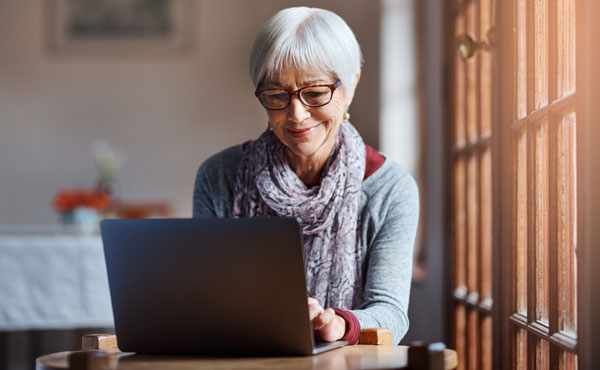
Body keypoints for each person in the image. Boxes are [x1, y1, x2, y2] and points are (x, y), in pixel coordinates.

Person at [193, 6, 419, 345]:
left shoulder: (391, 188)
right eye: (276, 95)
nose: (296, 115)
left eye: (314, 93)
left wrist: (340, 324)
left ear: (350, 86)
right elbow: (203, 300)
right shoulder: (218, 176)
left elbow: (391, 313)